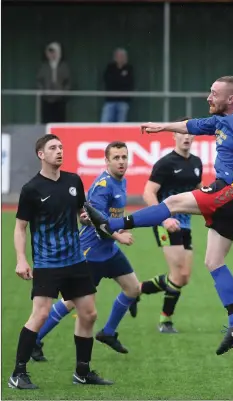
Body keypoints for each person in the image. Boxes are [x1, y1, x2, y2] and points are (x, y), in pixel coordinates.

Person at [84, 75, 233, 355]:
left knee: (171, 201)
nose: (209, 97)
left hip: (232, 190)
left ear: (230, 99)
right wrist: (163, 127)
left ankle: (112, 224)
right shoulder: (221, 120)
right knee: (213, 261)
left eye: (214, 93)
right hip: (232, 197)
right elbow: (193, 125)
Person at [8, 134, 112, 390]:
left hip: (75, 261)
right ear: (41, 155)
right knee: (40, 314)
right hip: (47, 262)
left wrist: (85, 218)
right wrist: (21, 260)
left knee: (89, 314)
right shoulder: (31, 189)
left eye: (61, 147)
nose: (59, 151)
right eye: (53, 148)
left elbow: (79, 212)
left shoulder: (73, 180)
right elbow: (20, 228)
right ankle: (17, 373)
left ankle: (82, 372)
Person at [30, 141, 140, 362]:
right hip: (90, 253)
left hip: (109, 250)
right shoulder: (102, 187)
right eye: (116, 158)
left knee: (133, 289)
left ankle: (108, 332)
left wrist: (116, 237)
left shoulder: (122, 180)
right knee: (70, 302)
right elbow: (97, 222)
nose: (121, 161)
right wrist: (119, 235)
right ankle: (34, 340)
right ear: (106, 161)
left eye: (124, 157)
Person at [130, 118, 203, 333]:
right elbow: (147, 193)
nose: (187, 136)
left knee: (184, 277)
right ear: (175, 135)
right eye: (183, 133)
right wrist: (163, 217)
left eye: (190, 133)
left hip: (185, 226)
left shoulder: (197, 163)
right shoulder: (165, 163)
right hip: (165, 225)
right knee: (177, 273)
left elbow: (200, 190)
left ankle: (136, 290)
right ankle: (165, 321)